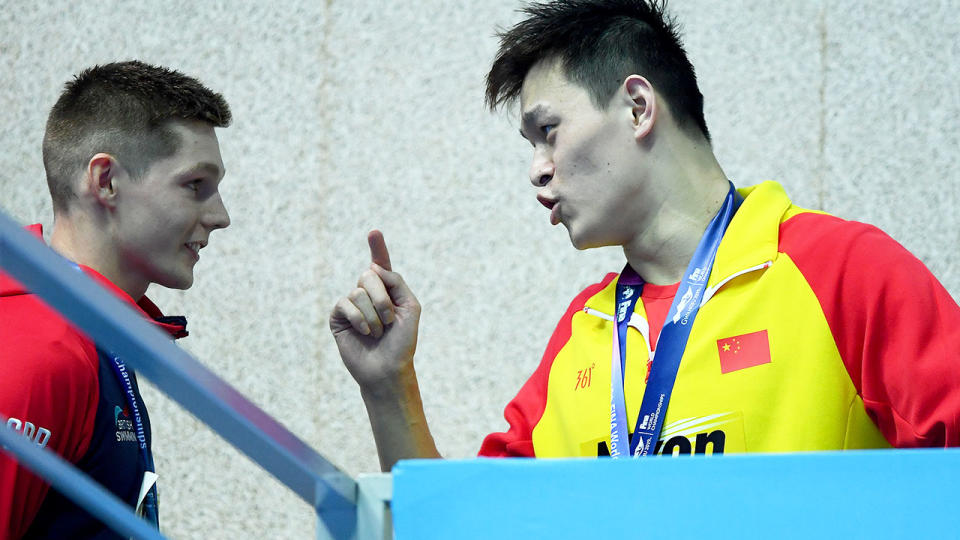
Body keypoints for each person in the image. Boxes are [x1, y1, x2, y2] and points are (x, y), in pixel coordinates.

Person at [330, 0, 960, 470]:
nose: (537, 170)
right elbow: (465, 529)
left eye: (548, 131)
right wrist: (389, 386)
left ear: (638, 107)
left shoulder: (843, 271)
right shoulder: (584, 332)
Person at [0, 60, 232, 539]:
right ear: (105, 181)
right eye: (195, 186)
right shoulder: (43, 350)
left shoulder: (86, 334)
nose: (220, 216)